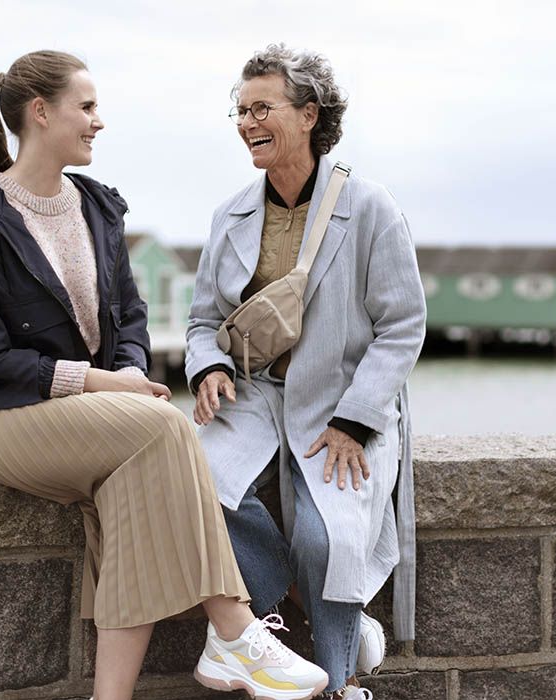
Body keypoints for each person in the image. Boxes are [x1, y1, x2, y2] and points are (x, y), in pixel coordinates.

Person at [0, 50, 327, 700]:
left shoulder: (97, 208)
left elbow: (129, 318)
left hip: (89, 419)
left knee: (136, 490)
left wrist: (130, 374)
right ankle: (234, 629)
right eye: (86, 107)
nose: (98, 121)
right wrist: (105, 385)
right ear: (40, 112)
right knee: (165, 429)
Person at [186, 44, 426, 700]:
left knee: (328, 540)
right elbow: (202, 322)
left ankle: (338, 685)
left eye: (261, 108)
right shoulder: (230, 214)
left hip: (341, 402)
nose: (246, 122)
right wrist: (208, 368)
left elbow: (403, 325)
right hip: (253, 396)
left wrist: (356, 420)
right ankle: (286, 615)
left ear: (308, 115)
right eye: (240, 111)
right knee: (192, 487)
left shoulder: (372, 207)